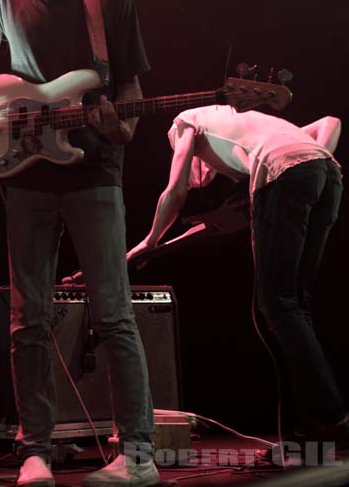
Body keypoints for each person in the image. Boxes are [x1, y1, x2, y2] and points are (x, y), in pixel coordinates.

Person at [0, 0, 160, 487]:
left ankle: (139, 453)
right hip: (24, 177)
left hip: (94, 174)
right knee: (28, 318)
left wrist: (117, 129)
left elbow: (129, 92)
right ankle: (35, 452)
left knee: (114, 313)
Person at [127, 104, 349, 458]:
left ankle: (333, 415)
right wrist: (319, 161)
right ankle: (312, 428)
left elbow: (177, 190)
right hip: (327, 176)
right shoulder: (253, 124)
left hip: (286, 174)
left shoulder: (186, 122)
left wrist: (150, 241)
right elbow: (330, 121)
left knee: (276, 307)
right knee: (295, 307)